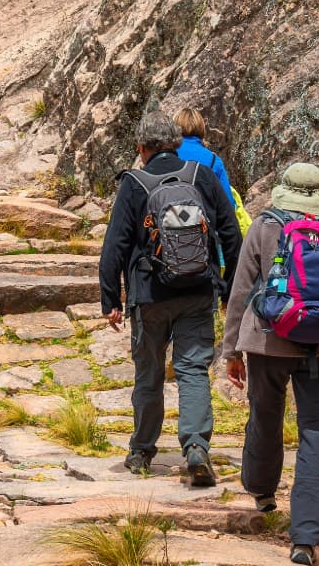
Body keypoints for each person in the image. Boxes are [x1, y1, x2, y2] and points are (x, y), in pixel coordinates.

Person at [222, 163, 319, 566]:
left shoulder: (264, 227)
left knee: (265, 415)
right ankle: (305, 537)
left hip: (268, 342)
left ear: (283, 190)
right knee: (317, 432)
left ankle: (263, 491)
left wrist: (232, 351)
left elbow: (241, 291)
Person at [99, 109, 242, 486]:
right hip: (198, 289)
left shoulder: (134, 183)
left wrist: (110, 299)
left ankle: (142, 451)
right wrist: (228, 287)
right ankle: (195, 447)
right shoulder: (203, 175)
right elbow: (231, 234)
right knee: (193, 370)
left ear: (141, 148)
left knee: (149, 374)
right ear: (176, 143)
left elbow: (114, 244)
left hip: (149, 294)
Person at [174, 108, 253, 236]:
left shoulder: (167, 157)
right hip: (204, 233)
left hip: (170, 229)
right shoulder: (213, 160)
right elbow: (228, 205)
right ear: (201, 128)